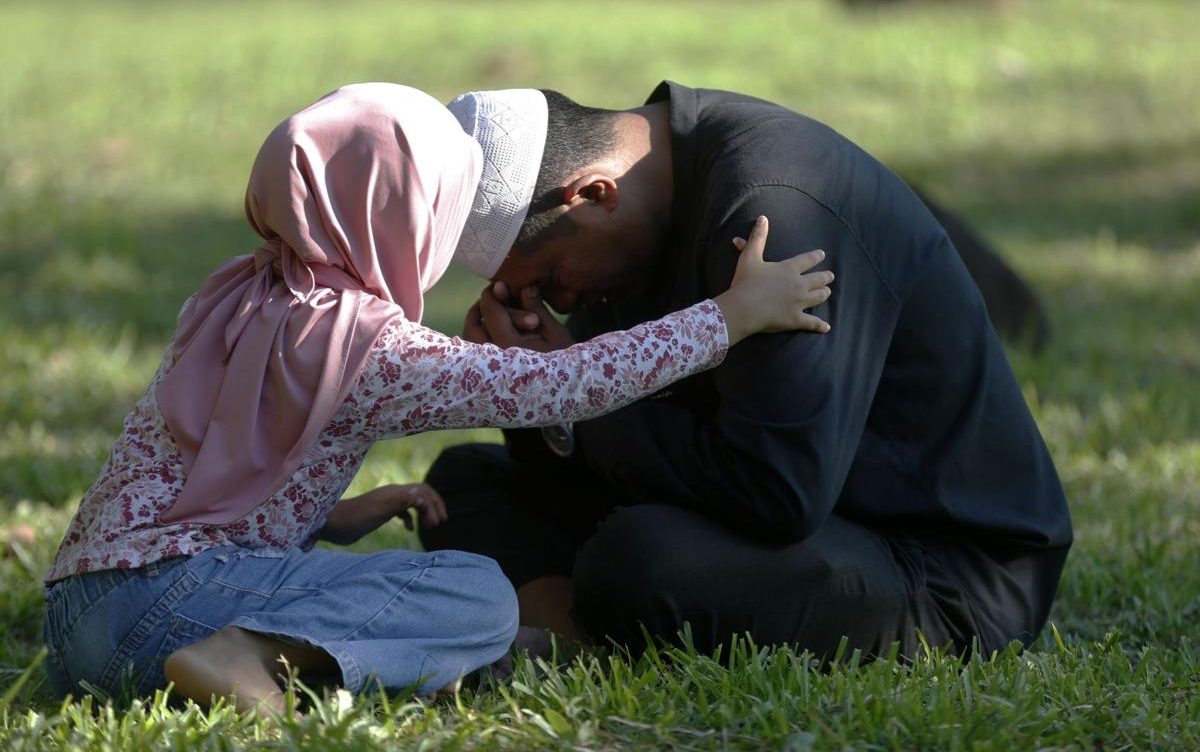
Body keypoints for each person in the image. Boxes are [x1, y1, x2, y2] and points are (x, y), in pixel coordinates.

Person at [40, 83, 834, 714]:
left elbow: (202, 464)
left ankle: (279, 652)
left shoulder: (236, 295)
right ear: (396, 215)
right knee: (476, 591)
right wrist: (728, 318)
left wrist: (341, 512)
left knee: (382, 580)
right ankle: (244, 657)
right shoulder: (371, 344)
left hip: (78, 620)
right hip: (174, 613)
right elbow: (564, 383)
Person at [421, 83, 1073, 659]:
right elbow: (615, 446)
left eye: (554, 277)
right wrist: (537, 394)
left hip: (941, 567)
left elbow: (777, 490)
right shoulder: (635, 224)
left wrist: (572, 399)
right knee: (458, 487)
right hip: (766, 520)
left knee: (640, 558)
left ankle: (584, 622)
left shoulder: (773, 213)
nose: (561, 301)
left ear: (595, 193)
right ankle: (578, 628)